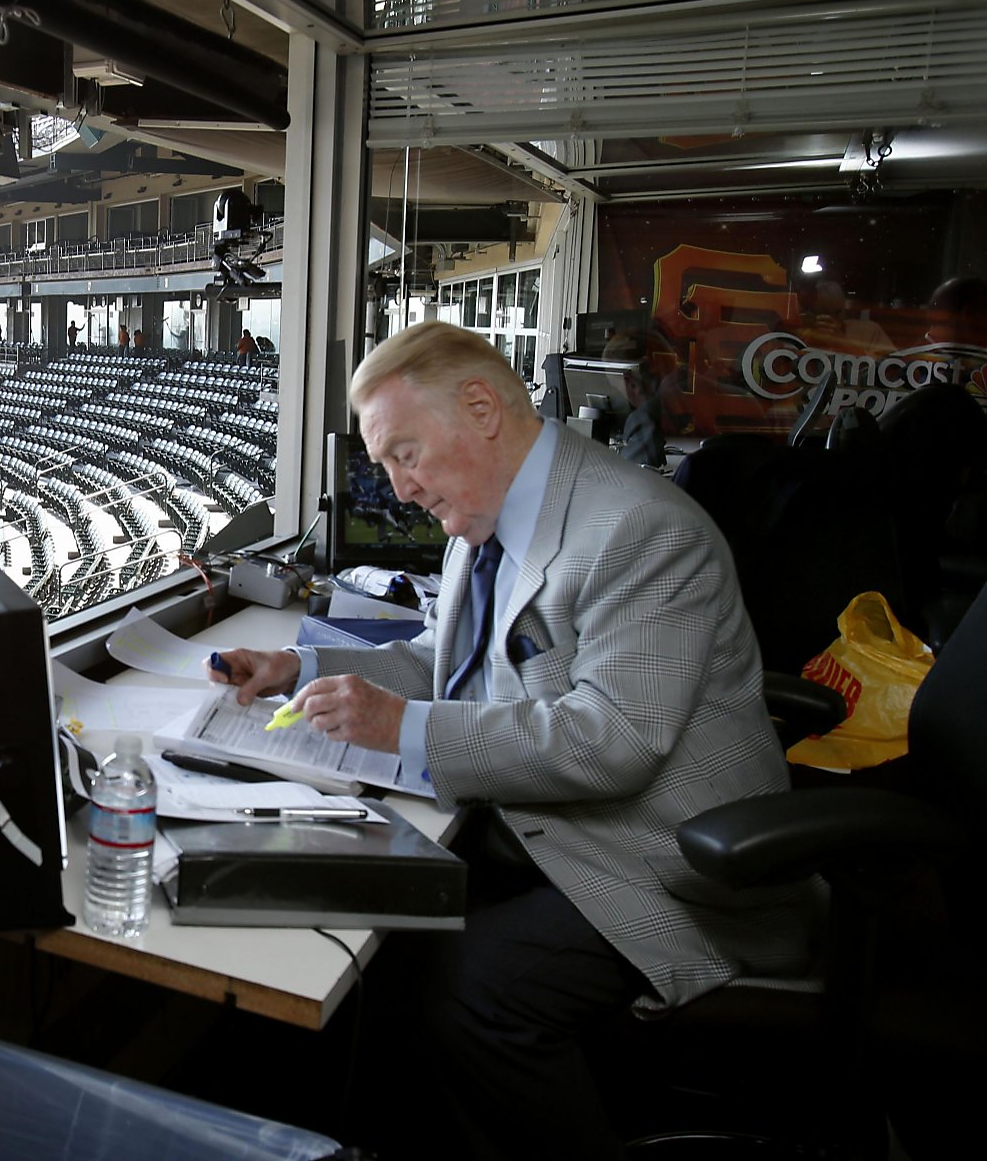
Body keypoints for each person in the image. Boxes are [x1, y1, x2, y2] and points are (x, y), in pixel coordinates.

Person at [208, 321, 812, 1161]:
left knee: (467, 991)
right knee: (371, 939)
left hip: (664, 865)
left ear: (482, 408)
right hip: (548, 834)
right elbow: (441, 662)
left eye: (404, 454)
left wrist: (402, 727)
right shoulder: (489, 517)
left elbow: (615, 739)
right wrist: (297, 664)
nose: (398, 488)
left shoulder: (639, 530)